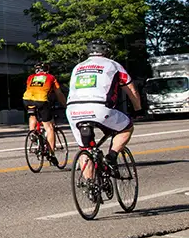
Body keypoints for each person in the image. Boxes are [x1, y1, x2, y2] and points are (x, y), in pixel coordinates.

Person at [66, 39, 142, 180]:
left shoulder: (77, 67)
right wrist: (138, 109)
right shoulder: (113, 65)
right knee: (126, 127)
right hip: (99, 107)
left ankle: (91, 187)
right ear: (107, 51)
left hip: (73, 109)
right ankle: (111, 157)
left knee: (85, 149)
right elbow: (130, 88)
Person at [22, 61, 66, 163]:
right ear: (47, 70)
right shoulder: (51, 77)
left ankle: (32, 133)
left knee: (32, 116)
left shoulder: (30, 77)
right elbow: (59, 93)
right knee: (49, 127)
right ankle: (51, 154)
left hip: (27, 99)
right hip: (41, 100)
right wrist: (65, 105)